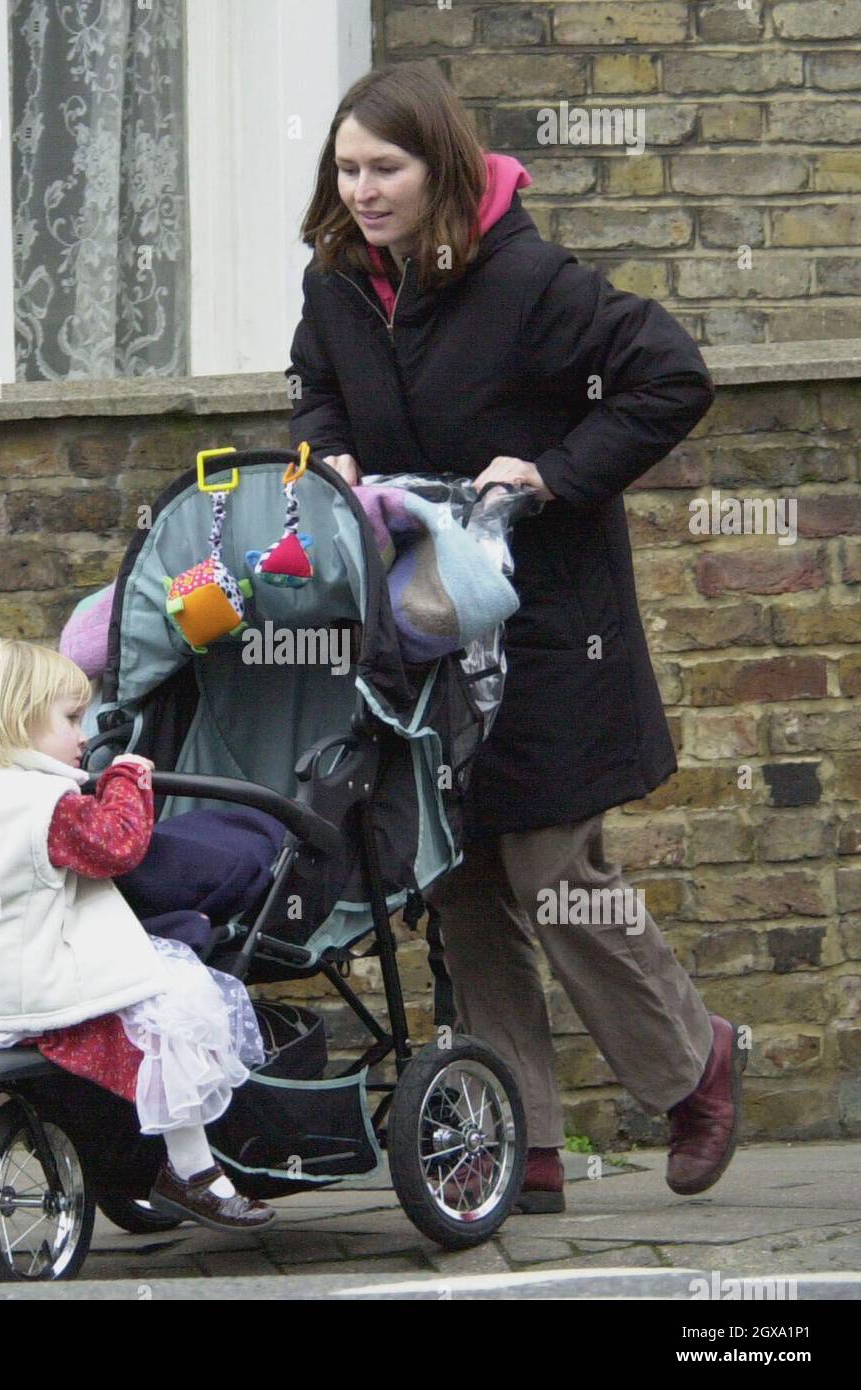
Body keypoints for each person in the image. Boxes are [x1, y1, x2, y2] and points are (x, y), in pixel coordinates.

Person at [286, 61, 744, 1213]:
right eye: (345, 170)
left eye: (382, 168)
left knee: (550, 870)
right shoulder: (338, 279)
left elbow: (668, 377)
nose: (362, 191)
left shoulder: (531, 282)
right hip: (421, 630)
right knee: (456, 875)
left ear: (438, 166)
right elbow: (312, 385)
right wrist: (325, 448)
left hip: (548, 632)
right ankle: (512, 1137)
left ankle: (693, 1066)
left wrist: (547, 473)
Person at [0, 639, 277, 1232]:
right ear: (16, 721)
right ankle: (192, 1170)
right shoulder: (45, 803)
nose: (82, 736)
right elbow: (118, 847)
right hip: (41, 992)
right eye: (71, 719)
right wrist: (127, 778)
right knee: (173, 1009)